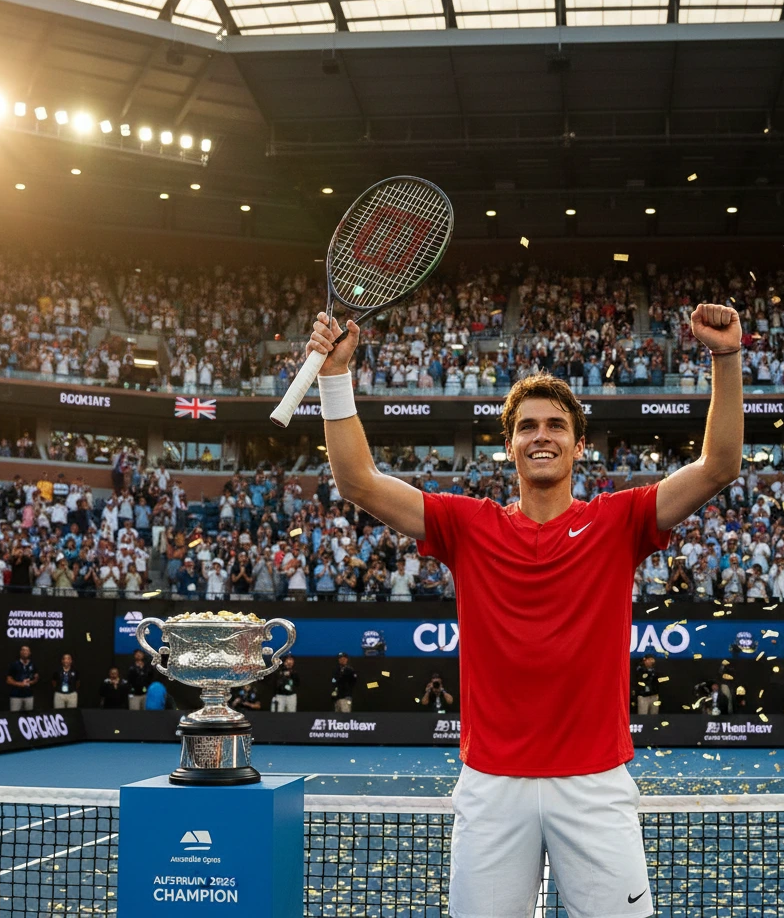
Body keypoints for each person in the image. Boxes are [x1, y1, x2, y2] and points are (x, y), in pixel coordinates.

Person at [305, 297, 743, 918]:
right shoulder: (466, 524)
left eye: (556, 426)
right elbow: (358, 482)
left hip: (595, 785)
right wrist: (334, 375)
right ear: (508, 447)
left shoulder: (619, 520)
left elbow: (719, 466)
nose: (542, 436)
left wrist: (725, 359)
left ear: (579, 445)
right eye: (528, 427)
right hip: (491, 787)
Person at [7, 645, 38, 712]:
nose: (25, 652)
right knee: (14, 717)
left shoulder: (33, 665)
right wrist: (19, 684)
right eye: (23, 650)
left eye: (27, 650)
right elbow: (8, 680)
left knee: (29, 717)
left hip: (29, 695)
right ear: (20, 652)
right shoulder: (14, 664)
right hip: (16, 696)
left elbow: (36, 678)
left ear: (30, 653)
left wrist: (31, 682)